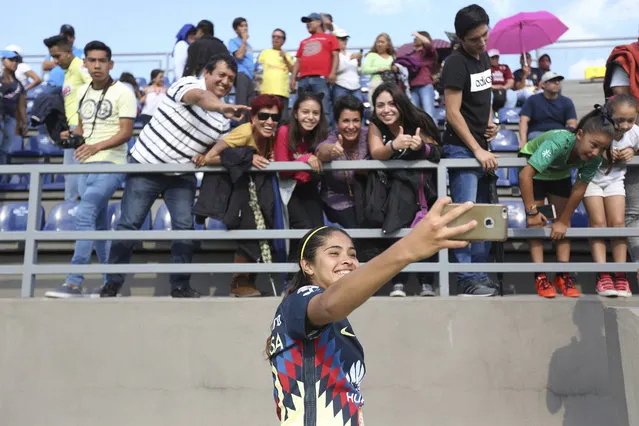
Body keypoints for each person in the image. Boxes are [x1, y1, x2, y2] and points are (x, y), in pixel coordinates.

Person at [266, 200, 477, 425]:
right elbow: (328, 305)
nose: (347, 260)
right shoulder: (301, 298)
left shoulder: (328, 319)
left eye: (352, 254)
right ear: (307, 266)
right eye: (334, 253)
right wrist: (407, 249)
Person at [100, 54, 248, 298]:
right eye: (221, 75)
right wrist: (222, 105)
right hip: (146, 166)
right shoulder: (187, 84)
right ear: (207, 73)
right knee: (129, 223)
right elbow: (200, 98)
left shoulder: (223, 121)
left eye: (230, 79)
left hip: (180, 175)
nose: (225, 81)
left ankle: (180, 285)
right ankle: (112, 283)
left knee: (184, 227)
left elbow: (212, 152)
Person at [44, 41, 136, 298]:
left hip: (111, 163)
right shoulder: (81, 91)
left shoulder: (123, 92)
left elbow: (126, 133)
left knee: (84, 215)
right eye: (92, 60)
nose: (96, 65)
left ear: (110, 64)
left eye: (102, 61)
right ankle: (110, 284)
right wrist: (70, 135)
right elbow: (82, 129)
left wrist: (96, 147)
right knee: (98, 226)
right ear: (84, 63)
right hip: (84, 164)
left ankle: (74, 282)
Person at [519, 107, 616, 298]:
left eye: (602, 149)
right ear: (579, 135)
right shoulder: (558, 142)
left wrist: (563, 220)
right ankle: (540, 276)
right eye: (594, 145)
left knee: (564, 224)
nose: (596, 152)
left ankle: (563, 274)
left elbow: (579, 188)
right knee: (537, 224)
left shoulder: (594, 158)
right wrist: (531, 211)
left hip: (559, 175)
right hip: (535, 174)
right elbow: (525, 175)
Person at [193, 94, 282, 297]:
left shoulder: (272, 137)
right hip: (236, 192)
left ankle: (249, 282)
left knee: (261, 227)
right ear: (253, 118)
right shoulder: (244, 131)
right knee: (249, 226)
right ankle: (239, 282)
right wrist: (247, 158)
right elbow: (210, 158)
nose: (269, 122)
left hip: (254, 191)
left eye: (274, 118)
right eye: (264, 116)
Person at [440, 4, 499, 296]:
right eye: (475, 39)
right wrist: (477, 149)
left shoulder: (485, 57)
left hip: (481, 147)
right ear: (461, 39)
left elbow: (483, 100)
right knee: (466, 215)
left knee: (484, 215)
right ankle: (466, 278)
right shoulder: (454, 63)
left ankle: (481, 274)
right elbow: (452, 113)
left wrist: (491, 123)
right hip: (462, 150)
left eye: (485, 35)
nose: (483, 42)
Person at [368, 82, 442, 297]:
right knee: (396, 229)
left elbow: (437, 151)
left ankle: (426, 282)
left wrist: (420, 147)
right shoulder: (375, 123)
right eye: (380, 105)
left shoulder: (418, 119)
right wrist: (394, 145)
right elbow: (376, 152)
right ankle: (398, 282)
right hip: (392, 188)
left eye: (391, 104)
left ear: (400, 103)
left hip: (422, 188)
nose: (386, 110)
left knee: (423, 231)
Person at [583, 95, 638, 297]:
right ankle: (603, 275)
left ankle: (621, 276)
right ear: (609, 115)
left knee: (618, 224)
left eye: (630, 120)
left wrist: (633, 151)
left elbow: (637, 147)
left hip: (615, 182)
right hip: (591, 180)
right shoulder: (596, 127)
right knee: (598, 224)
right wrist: (603, 153)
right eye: (619, 120)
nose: (625, 125)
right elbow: (583, 150)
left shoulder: (635, 132)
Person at [274, 91, 329, 259]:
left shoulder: (319, 134)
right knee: (302, 228)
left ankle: (313, 281)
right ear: (296, 113)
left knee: (318, 232)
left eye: (315, 113)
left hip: (308, 187)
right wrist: (305, 159)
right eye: (305, 112)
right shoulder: (284, 131)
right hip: (288, 188)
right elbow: (283, 171)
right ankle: (291, 280)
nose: (310, 117)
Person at [43, 34, 92, 202]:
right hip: (72, 130)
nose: (55, 61)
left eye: (58, 56)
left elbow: (94, 90)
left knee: (79, 182)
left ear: (69, 51)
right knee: (71, 180)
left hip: (82, 131)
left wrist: (80, 126)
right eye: (52, 57)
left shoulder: (80, 67)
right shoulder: (68, 73)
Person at [291, 13, 339, 125]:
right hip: (303, 79)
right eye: (306, 22)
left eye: (310, 21)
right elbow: (298, 61)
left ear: (319, 22)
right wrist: (293, 78)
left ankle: (325, 138)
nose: (308, 24)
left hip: (321, 79)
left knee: (324, 109)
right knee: (300, 108)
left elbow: (335, 55)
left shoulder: (330, 37)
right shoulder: (303, 41)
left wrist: (333, 73)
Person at [518, 72, 577, 147]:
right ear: (543, 84)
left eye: (558, 81)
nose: (557, 82)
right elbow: (523, 121)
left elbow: (572, 123)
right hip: (537, 135)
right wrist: (523, 142)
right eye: (553, 80)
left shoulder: (566, 101)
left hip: (558, 134)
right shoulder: (532, 100)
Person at [256, 28, 294, 119]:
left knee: (282, 120)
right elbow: (258, 70)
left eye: (278, 37)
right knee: (266, 119)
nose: (275, 39)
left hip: (282, 93)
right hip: (266, 92)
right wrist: (257, 88)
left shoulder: (287, 56)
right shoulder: (265, 53)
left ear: (283, 41)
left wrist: (284, 58)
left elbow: (293, 70)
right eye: (273, 36)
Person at [0, 50, 27, 167]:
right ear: (2, 60)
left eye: (16, 61)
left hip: (10, 119)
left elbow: (21, 105)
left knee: (5, 149)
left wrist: (25, 123)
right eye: (11, 60)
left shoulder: (18, 84)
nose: (14, 63)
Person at [406, 31, 438, 121]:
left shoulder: (427, 53)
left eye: (417, 38)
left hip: (425, 85)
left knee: (429, 114)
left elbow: (428, 44)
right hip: (412, 86)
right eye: (414, 38)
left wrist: (418, 34)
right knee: (414, 115)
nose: (415, 39)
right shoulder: (410, 54)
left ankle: (433, 135)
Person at [228, 17, 255, 123]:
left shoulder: (249, 46)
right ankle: (240, 128)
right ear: (236, 29)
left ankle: (248, 128)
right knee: (242, 103)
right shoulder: (233, 41)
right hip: (241, 74)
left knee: (250, 105)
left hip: (250, 77)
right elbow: (239, 56)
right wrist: (244, 39)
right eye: (242, 26)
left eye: (246, 25)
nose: (245, 28)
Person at [42, 24, 84, 89]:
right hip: (52, 86)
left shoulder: (81, 52)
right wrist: (64, 61)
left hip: (72, 87)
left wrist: (55, 63)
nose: (67, 38)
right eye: (64, 35)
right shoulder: (54, 51)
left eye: (70, 36)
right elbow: (45, 66)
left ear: (74, 38)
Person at [360, 33, 396, 103]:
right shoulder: (371, 55)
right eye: (378, 42)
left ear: (388, 45)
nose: (379, 44)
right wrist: (378, 69)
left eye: (382, 42)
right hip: (376, 83)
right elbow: (364, 70)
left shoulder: (393, 57)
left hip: (391, 84)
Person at [331, 29, 361, 103]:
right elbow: (336, 70)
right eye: (342, 39)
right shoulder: (333, 55)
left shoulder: (350, 54)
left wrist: (359, 61)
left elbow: (359, 71)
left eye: (346, 39)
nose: (345, 41)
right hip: (341, 86)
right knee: (339, 111)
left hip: (356, 87)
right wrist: (350, 59)